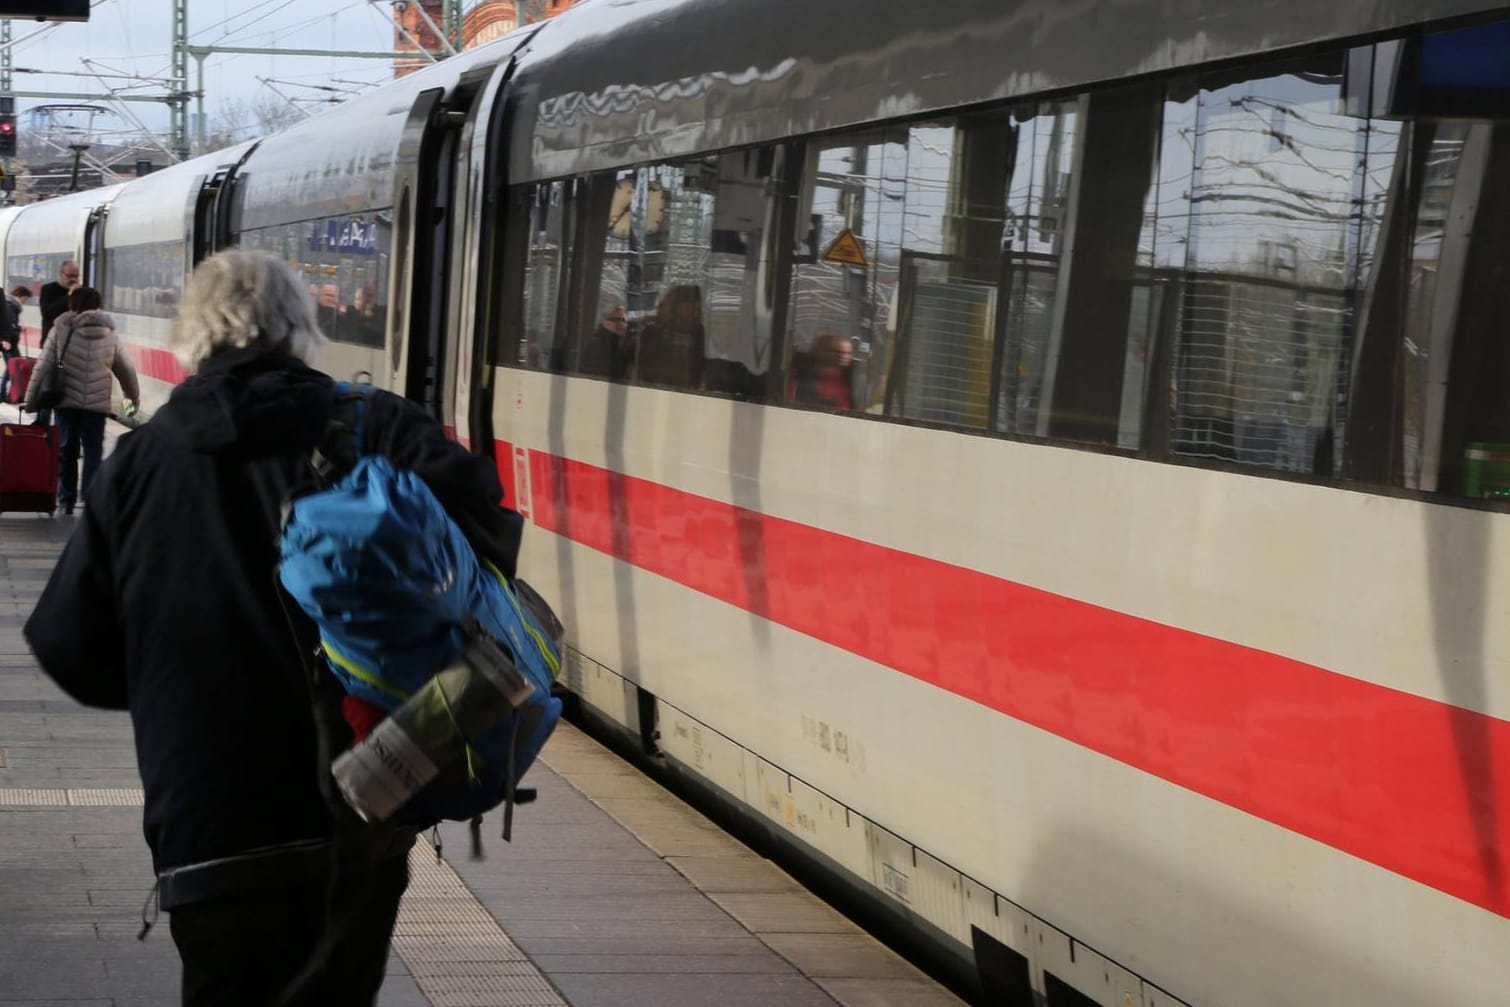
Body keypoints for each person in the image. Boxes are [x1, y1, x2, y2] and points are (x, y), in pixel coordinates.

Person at [24, 250, 524, 1006]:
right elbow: (495, 543)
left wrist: (178, 684)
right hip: (365, 800)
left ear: (193, 334)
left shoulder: (140, 465)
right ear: (298, 331)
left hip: (208, 821)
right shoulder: (378, 425)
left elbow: (72, 648)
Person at [23, 286, 138, 515]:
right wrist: (132, 401)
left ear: (72, 304)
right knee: (94, 450)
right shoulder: (110, 332)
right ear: (98, 305)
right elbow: (126, 369)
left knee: (67, 450)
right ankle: (90, 498)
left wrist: (31, 400)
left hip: (66, 401)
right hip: (96, 405)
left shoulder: (61, 328)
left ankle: (66, 499)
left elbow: (43, 366)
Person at [634, 285, 706, 389]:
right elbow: (642, 373)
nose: (697, 314)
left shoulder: (699, 333)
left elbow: (700, 371)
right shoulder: (651, 333)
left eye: (698, 309)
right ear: (675, 308)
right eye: (691, 308)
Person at [35, 262, 79, 426]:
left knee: (66, 391)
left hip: (73, 348)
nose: (73, 279)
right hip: (51, 346)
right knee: (48, 386)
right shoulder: (48, 290)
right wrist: (69, 296)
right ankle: (42, 423)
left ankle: (62, 430)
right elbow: (48, 313)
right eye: (70, 276)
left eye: (76, 276)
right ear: (61, 274)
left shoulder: (81, 292)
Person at [790, 330, 855, 411]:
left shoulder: (851, 379)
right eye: (837, 352)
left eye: (848, 353)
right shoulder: (806, 377)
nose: (843, 356)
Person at [0, 285, 23, 403]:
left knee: (11, 366)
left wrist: (6, 338)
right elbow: (7, 321)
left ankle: (6, 393)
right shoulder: (12, 305)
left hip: (8, 340)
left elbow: (4, 319)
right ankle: (4, 392)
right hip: (10, 341)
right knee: (11, 366)